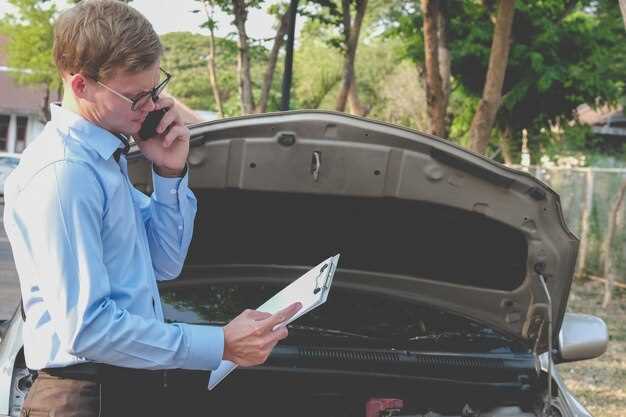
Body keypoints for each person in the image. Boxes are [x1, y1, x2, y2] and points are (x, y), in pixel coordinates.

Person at [2, 1, 301, 416]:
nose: (149, 107)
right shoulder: (65, 173)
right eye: (134, 97)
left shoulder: (104, 160)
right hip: (84, 397)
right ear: (81, 85)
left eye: (154, 90)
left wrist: (169, 172)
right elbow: (88, 330)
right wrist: (220, 343)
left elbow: (163, 263)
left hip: (119, 386)